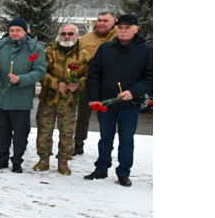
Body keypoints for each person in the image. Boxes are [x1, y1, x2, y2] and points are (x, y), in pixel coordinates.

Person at [83, 14, 152, 187]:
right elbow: (94, 74)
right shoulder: (105, 48)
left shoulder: (147, 50)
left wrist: (133, 92)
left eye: (127, 28)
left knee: (126, 139)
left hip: (130, 104)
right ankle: (101, 168)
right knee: (105, 138)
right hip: (106, 103)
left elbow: (151, 78)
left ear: (136, 29)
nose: (123, 31)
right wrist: (94, 99)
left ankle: (123, 172)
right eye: (120, 27)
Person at [0, 17, 46, 172]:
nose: (14, 33)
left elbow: (40, 71)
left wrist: (21, 79)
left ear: (26, 31)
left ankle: (17, 161)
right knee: (1, 132)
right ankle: (2, 159)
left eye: (18, 30)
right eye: (11, 30)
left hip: (21, 96)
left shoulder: (36, 49)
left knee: (20, 133)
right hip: (1, 95)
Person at [33, 24, 92, 175]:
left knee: (67, 133)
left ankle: (64, 162)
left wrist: (78, 84)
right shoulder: (49, 52)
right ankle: (43, 159)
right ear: (59, 35)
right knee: (44, 131)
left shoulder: (84, 55)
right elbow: (40, 73)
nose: (66, 36)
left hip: (69, 102)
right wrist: (56, 84)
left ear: (77, 36)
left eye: (70, 34)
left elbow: (88, 76)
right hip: (48, 100)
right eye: (63, 33)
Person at [74, 11, 118, 155]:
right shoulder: (86, 39)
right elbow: (78, 60)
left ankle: (107, 145)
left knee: (108, 117)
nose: (101, 23)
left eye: (105, 20)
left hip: (111, 85)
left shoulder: (121, 38)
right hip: (89, 83)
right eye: (99, 20)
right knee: (82, 115)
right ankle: (78, 143)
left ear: (114, 22)